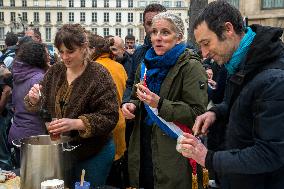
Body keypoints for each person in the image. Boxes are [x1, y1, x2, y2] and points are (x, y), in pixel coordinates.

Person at [178, 1, 284, 189]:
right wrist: (216, 113)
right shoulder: (240, 64)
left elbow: (271, 153)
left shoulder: (274, 79)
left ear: (228, 29)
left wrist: (208, 158)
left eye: (206, 43)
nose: (204, 54)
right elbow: (241, 104)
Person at [25, 24, 119, 188]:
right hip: (63, 150)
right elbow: (39, 103)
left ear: (84, 48)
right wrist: (34, 99)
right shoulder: (55, 71)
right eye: (61, 52)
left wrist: (76, 123)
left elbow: (110, 116)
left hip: (94, 151)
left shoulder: (99, 74)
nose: (65, 57)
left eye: (70, 51)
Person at [122, 12, 208, 189]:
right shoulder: (145, 65)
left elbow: (197, 114)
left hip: (173, 149)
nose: (157, 38)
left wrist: (159, 104)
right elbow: (136, 98)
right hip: (143, 144)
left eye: (165, 32)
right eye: (154, 32)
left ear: (179, 37)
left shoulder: (191, 66)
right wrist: (131, 105)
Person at [88, 33, 128, 187]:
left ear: (92, 49)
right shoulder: (119, 67)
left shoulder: (92, 68)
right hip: (119, 122)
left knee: (100, 176)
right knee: (116, 172)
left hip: (100, 128)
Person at [8, 41, 50, 167]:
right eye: (46, 54)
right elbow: (45, 109)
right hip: (34, 135)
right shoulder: (38, 78)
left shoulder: (20, 74)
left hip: (17, 131)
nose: (49, 57)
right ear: (39, 57)